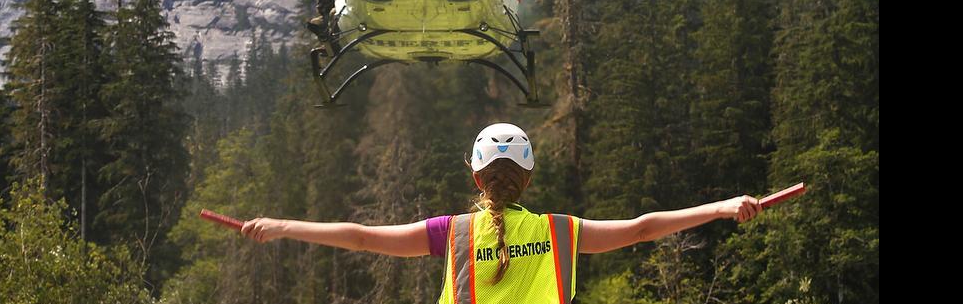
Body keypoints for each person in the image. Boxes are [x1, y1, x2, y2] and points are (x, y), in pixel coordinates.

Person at [238, 122, 763, 304]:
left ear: (475, 177)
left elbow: (358, 236)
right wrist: (721, 206)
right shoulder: (560, 232)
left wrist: (281, 226)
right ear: (529, 179)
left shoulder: (452, 234)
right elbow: (645, 229)